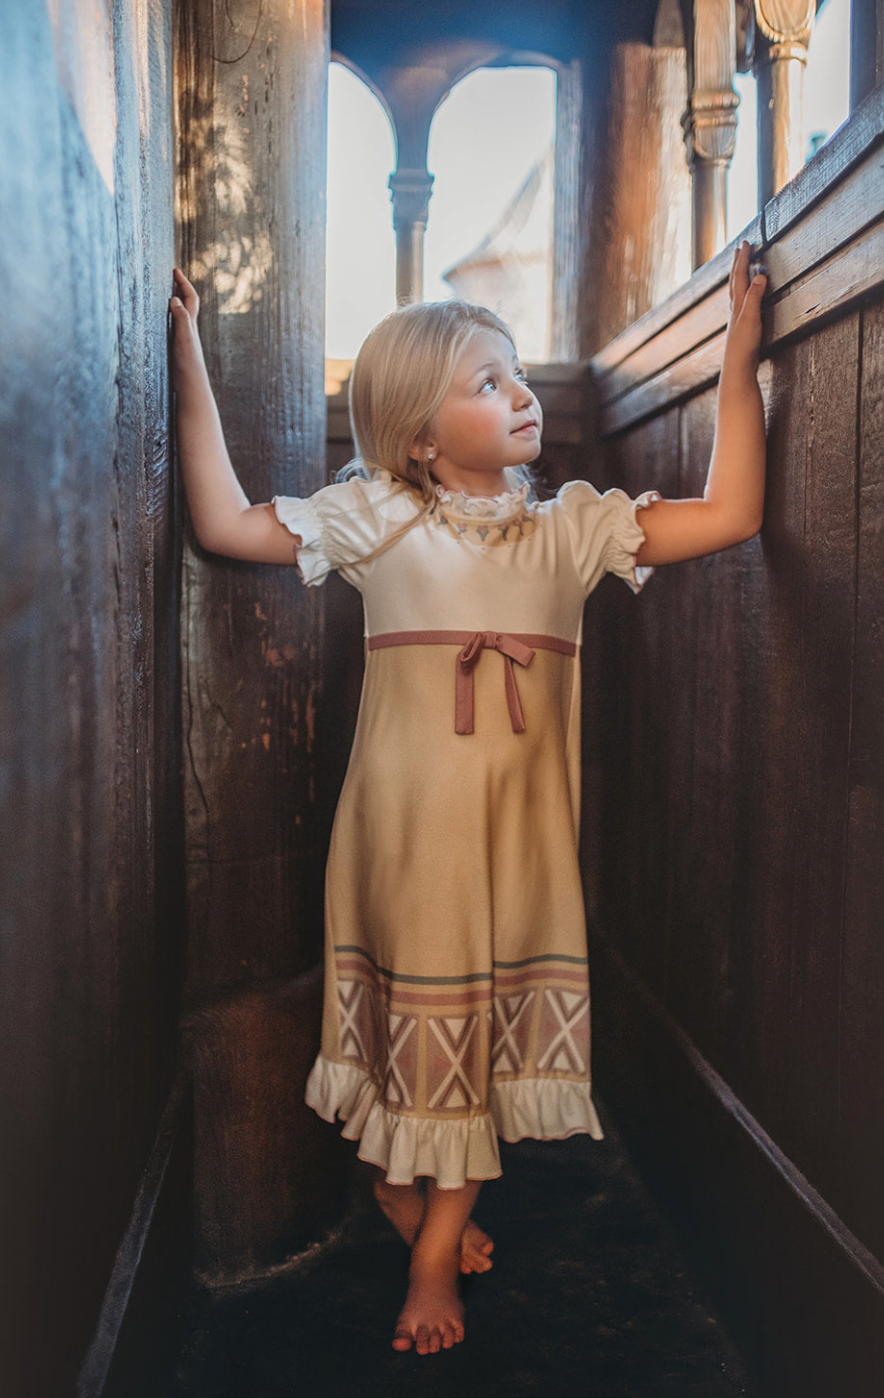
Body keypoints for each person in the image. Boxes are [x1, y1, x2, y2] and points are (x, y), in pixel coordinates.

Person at [169, 242, 767, 1356]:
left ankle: (424, 1221)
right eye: (484, 384)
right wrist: (186, 351)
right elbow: (224, 524)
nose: (520, 395)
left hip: (522, 843)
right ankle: (428, 1234)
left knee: (474, 1041)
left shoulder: (570, 529)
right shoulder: (376, 523)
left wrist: (738, 356)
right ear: (417, 437)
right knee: (420, 1027)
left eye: (515, 375)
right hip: (403, 839)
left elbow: (728, 514)